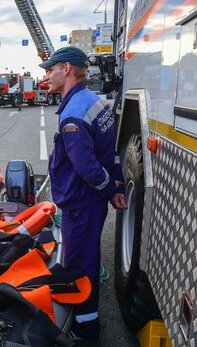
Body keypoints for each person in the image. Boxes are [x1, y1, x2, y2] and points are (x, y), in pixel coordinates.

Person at [40, 46, 127, 344]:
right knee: (85, 258)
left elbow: (88, 168)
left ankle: (85, 330)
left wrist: (109, 188)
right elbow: (111, 150)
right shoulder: (94, 101)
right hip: (91, 202)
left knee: (81, 267)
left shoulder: (73, 113)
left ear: (66, 69)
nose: (47, 75)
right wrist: (115, 184)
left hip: (81, 203)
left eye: (51, 69)